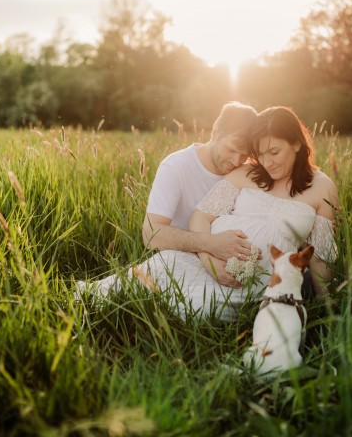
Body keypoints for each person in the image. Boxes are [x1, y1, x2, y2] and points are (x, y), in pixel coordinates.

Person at [83, 106, 339, 320]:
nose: (267, 162)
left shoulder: (322, 187)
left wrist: (327, 307)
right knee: (145, 276)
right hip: (203, 261)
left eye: (274, 152)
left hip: (259, 282)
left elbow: (320, 256)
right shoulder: (246, 173)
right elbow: (200, 217)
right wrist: (210, 258)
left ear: (296, 144)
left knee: (201, 308)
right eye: (260, 154)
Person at [75, 102, 258, 298]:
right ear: (215, 132)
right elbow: (151, 233)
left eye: (245, 154)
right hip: (180, 257)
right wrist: (211, 247)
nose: (237, 160)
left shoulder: (244, 173)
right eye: (231, 149)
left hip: (227, 263)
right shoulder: (177, 166)